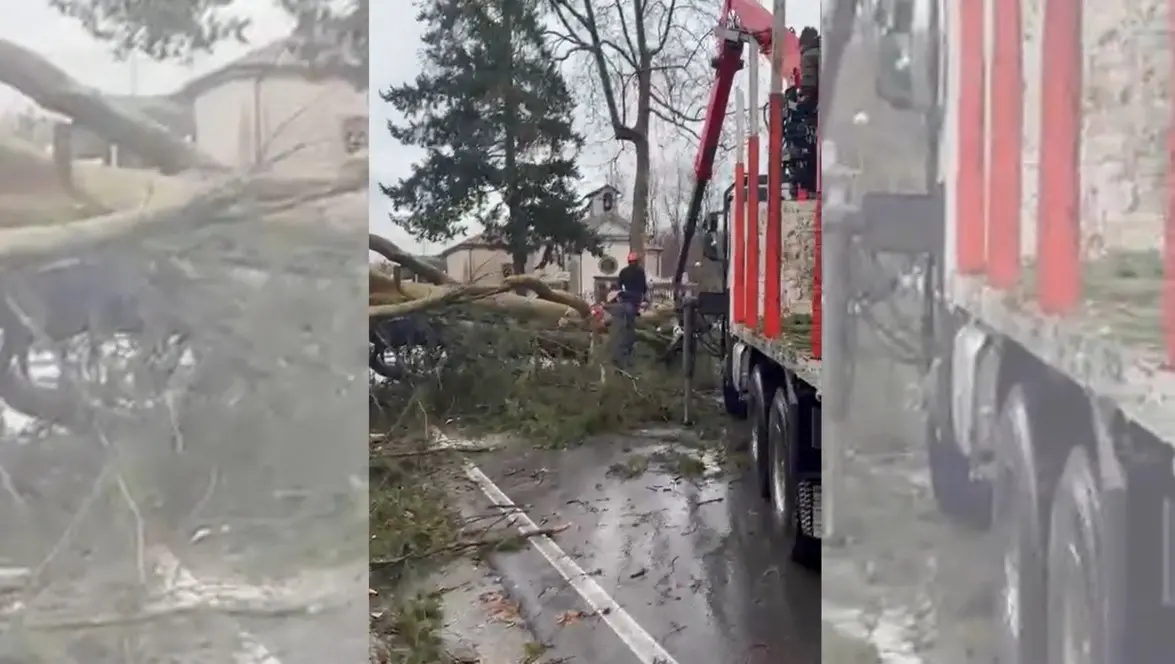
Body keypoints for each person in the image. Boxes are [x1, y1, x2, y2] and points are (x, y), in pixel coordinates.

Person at [613, 251, 648, 366]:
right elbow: (644, 287)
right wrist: (644, 298)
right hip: (635, 298)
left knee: (622, 321)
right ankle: (630, 343)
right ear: (636, 261)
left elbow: (619, 285)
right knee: (631, 322)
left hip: (626, 297)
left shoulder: (623, 271)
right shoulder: (640, 272)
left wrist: (621, 294)